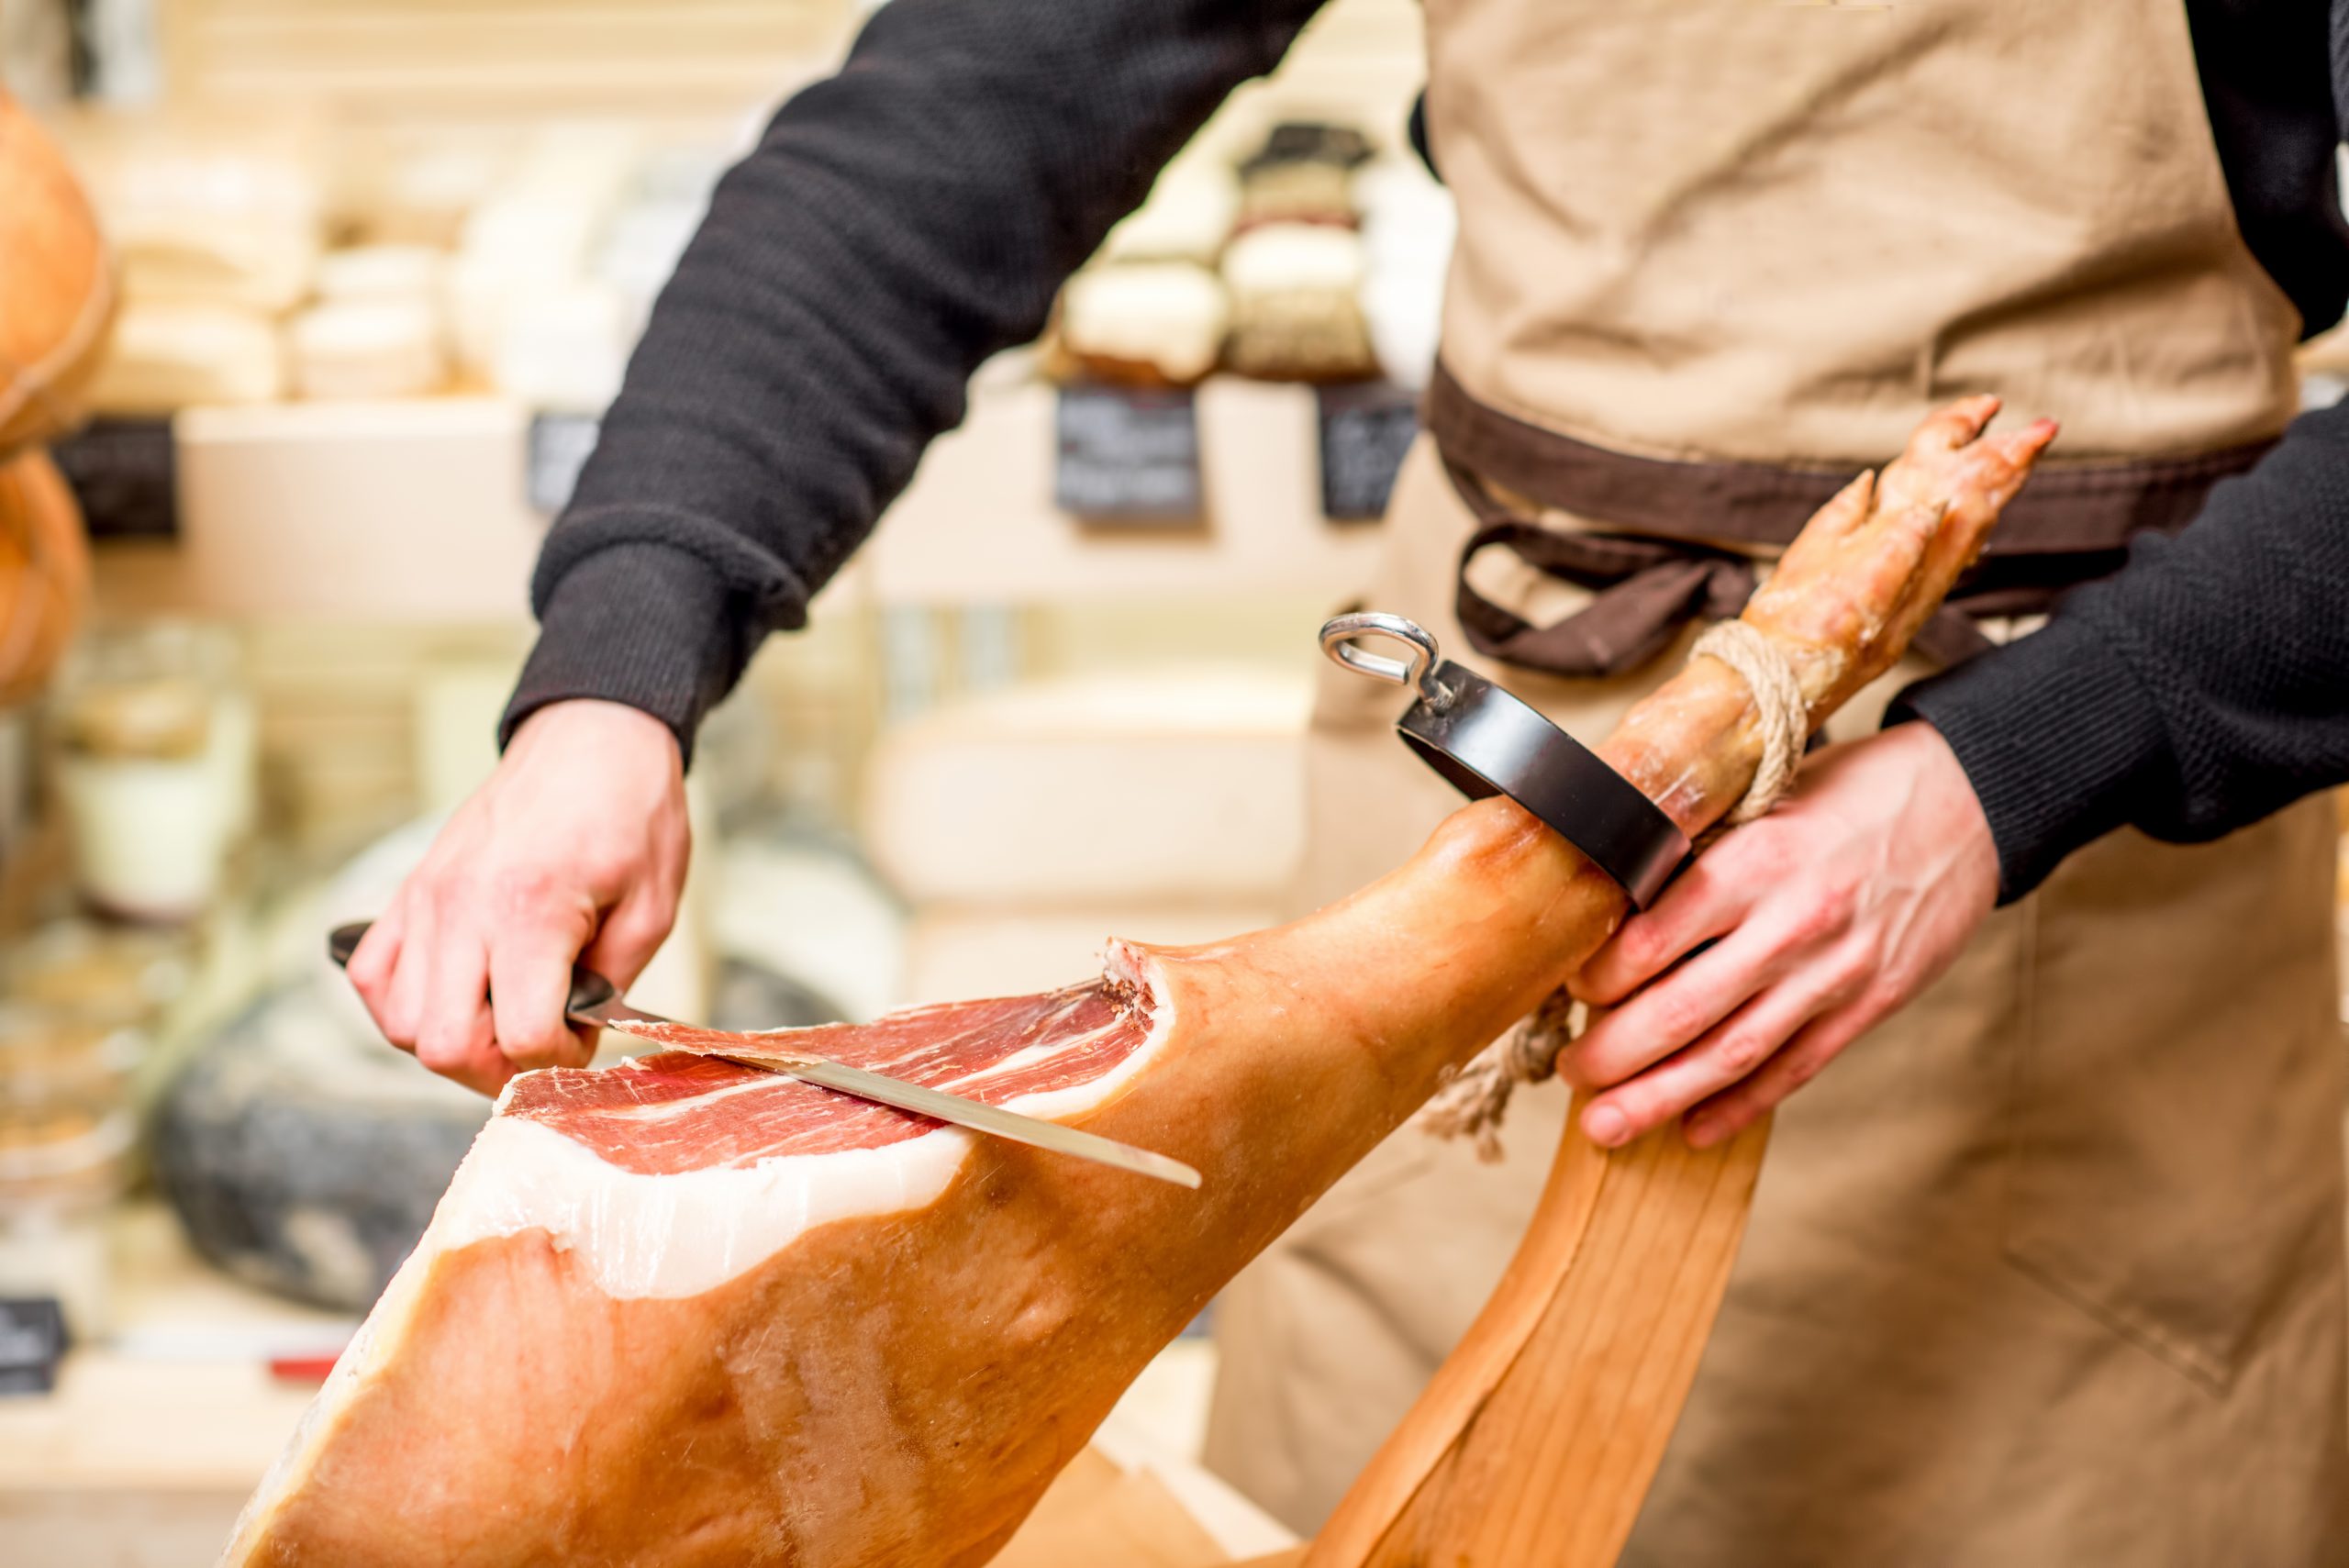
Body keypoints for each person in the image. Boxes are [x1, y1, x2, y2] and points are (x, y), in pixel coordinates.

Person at [345, 2, 2349, 1561]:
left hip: (2069, 854)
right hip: (1479, 821)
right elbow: (944, 139)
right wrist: (614, 673)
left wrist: (2002, 778)